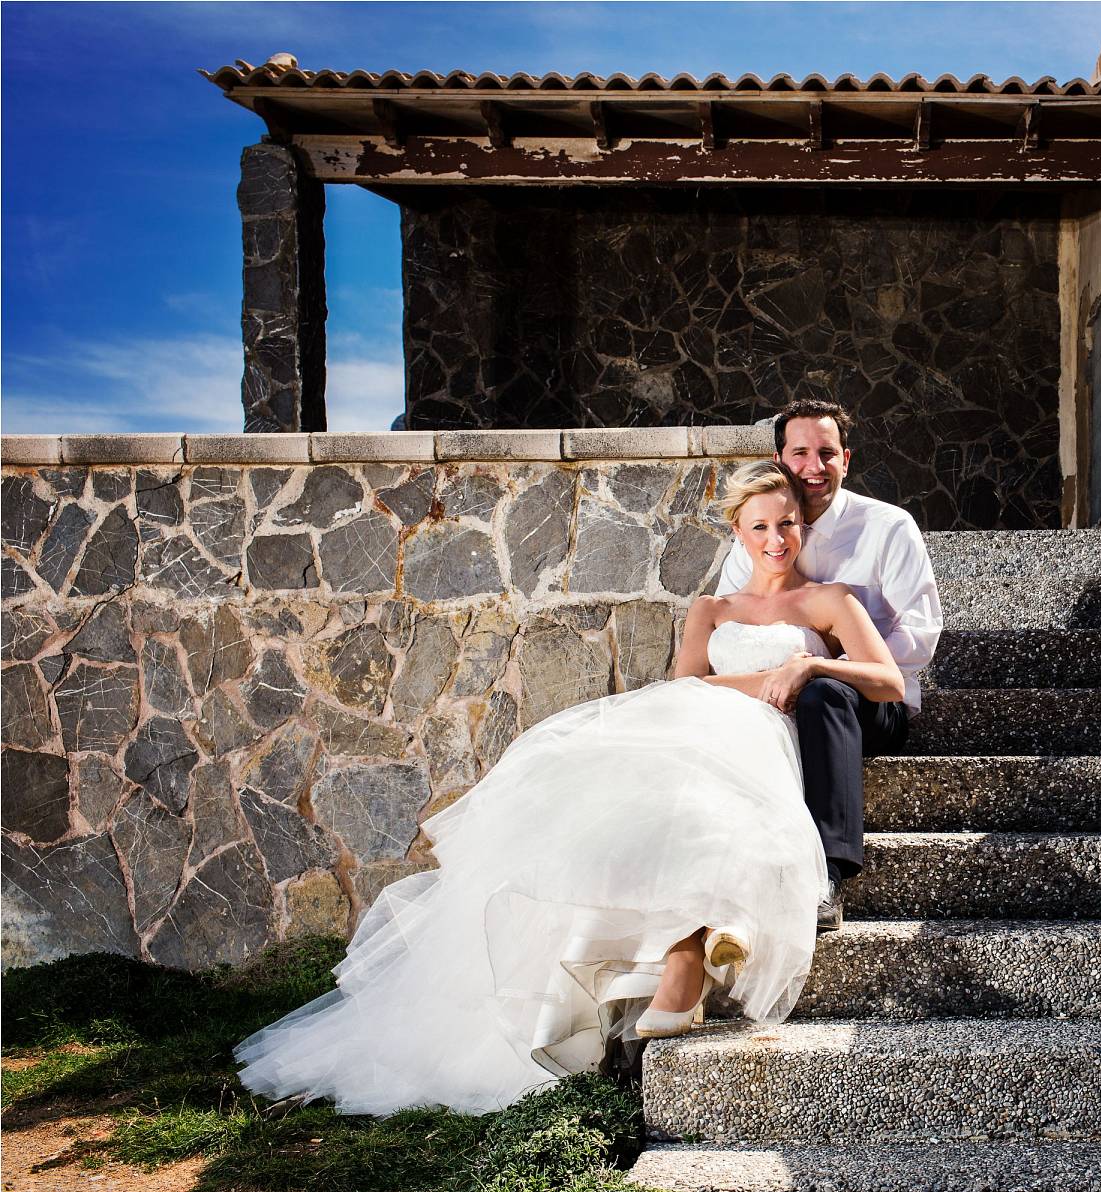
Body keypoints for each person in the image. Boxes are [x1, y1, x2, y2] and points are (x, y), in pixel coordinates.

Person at [234, 462, 904, 1117]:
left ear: (802, 526)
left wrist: (808, 663)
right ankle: (681, 948)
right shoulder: (711, 608)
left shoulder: (829, 600)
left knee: (725, 807)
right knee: (632, 801)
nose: (776, 539)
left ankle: (694, 946)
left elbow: (889, 682)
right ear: (737, 531)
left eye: (787, 523)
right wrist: (762, 680)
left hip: (772, 737)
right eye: (760, 526)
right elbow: (684, 689)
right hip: (699, 727)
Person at [716, 398, 942, 930]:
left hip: (872, 703)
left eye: (826, 452)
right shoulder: (761, 532)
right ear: (780, 458)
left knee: (824, 694)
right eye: (800, 453)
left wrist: (821, 664)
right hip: (774, 699)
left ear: (846, 458)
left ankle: (828, 876)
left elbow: (922, 635)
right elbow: (730, 631)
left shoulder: (888, 527)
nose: (813, 467)